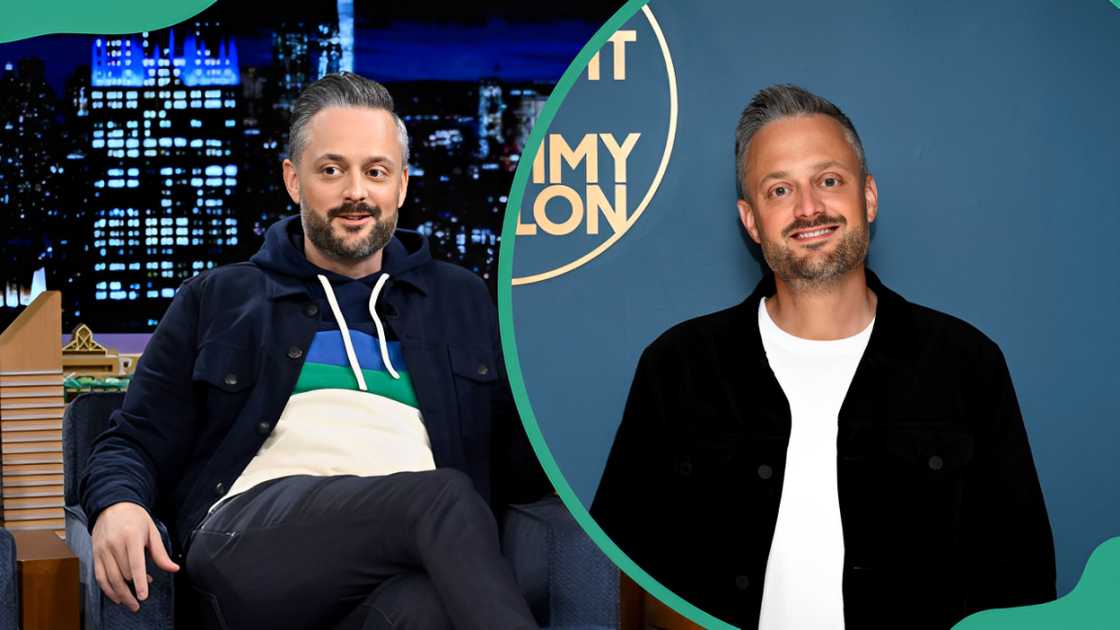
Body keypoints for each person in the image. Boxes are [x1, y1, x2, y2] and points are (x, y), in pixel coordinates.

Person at [80, 72, 547, 630]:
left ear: (400, 185)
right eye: (332, 170)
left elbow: (520, 461)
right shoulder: (220, 297)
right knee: (446, 496)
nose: (356, 192)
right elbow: (129, 441)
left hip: (405, 555)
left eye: (376, 172)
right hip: (249, 544)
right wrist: (118, 504)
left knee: (424, 609)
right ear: (293, 180)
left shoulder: (460, 298)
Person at [590, 84, 1056, 630]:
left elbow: (1021, 580)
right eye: (780, 189)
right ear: (751, 221)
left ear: (869, 197)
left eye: (828, 181)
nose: (809, 208)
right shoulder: (676, 367)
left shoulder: (966, 365)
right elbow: (612, 570)